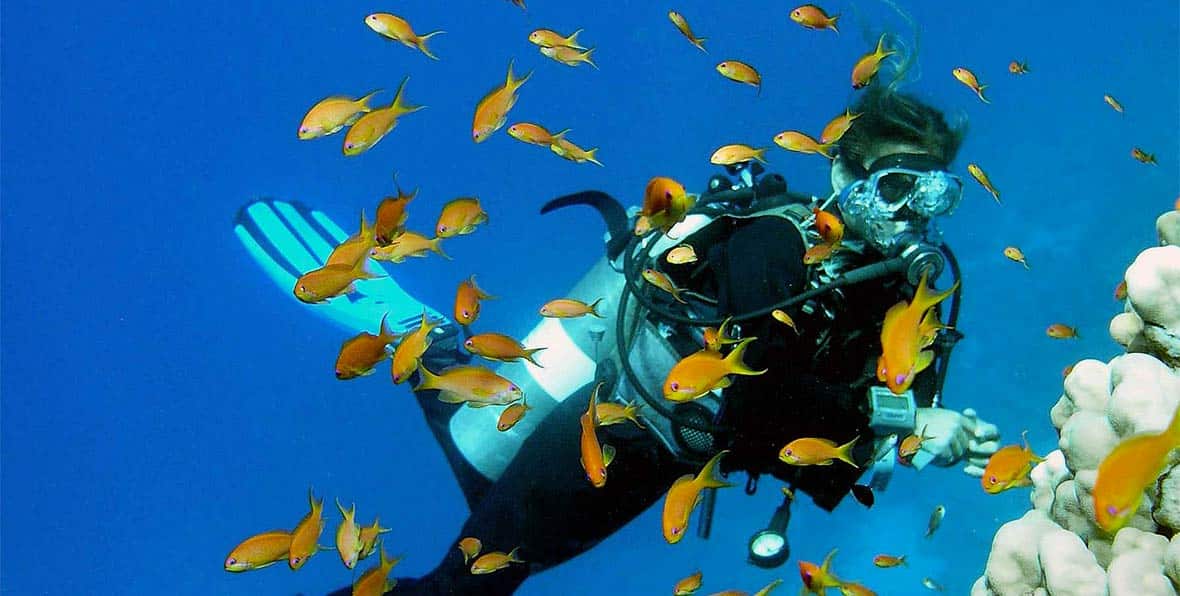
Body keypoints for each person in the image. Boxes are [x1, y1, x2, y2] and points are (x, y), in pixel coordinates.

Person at [235, 86, 1002, 595]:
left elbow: (849, 417)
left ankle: (428, 345)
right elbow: (759, 400)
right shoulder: (775, 244)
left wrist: (921, 436)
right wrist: (904, 421)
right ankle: (422, 342)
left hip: (664, 458)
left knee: (489, 521)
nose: (912, 214)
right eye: (895, 187)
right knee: (468, 584)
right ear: (842, 172)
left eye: (937, 193)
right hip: (614, 427)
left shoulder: (902, 290)